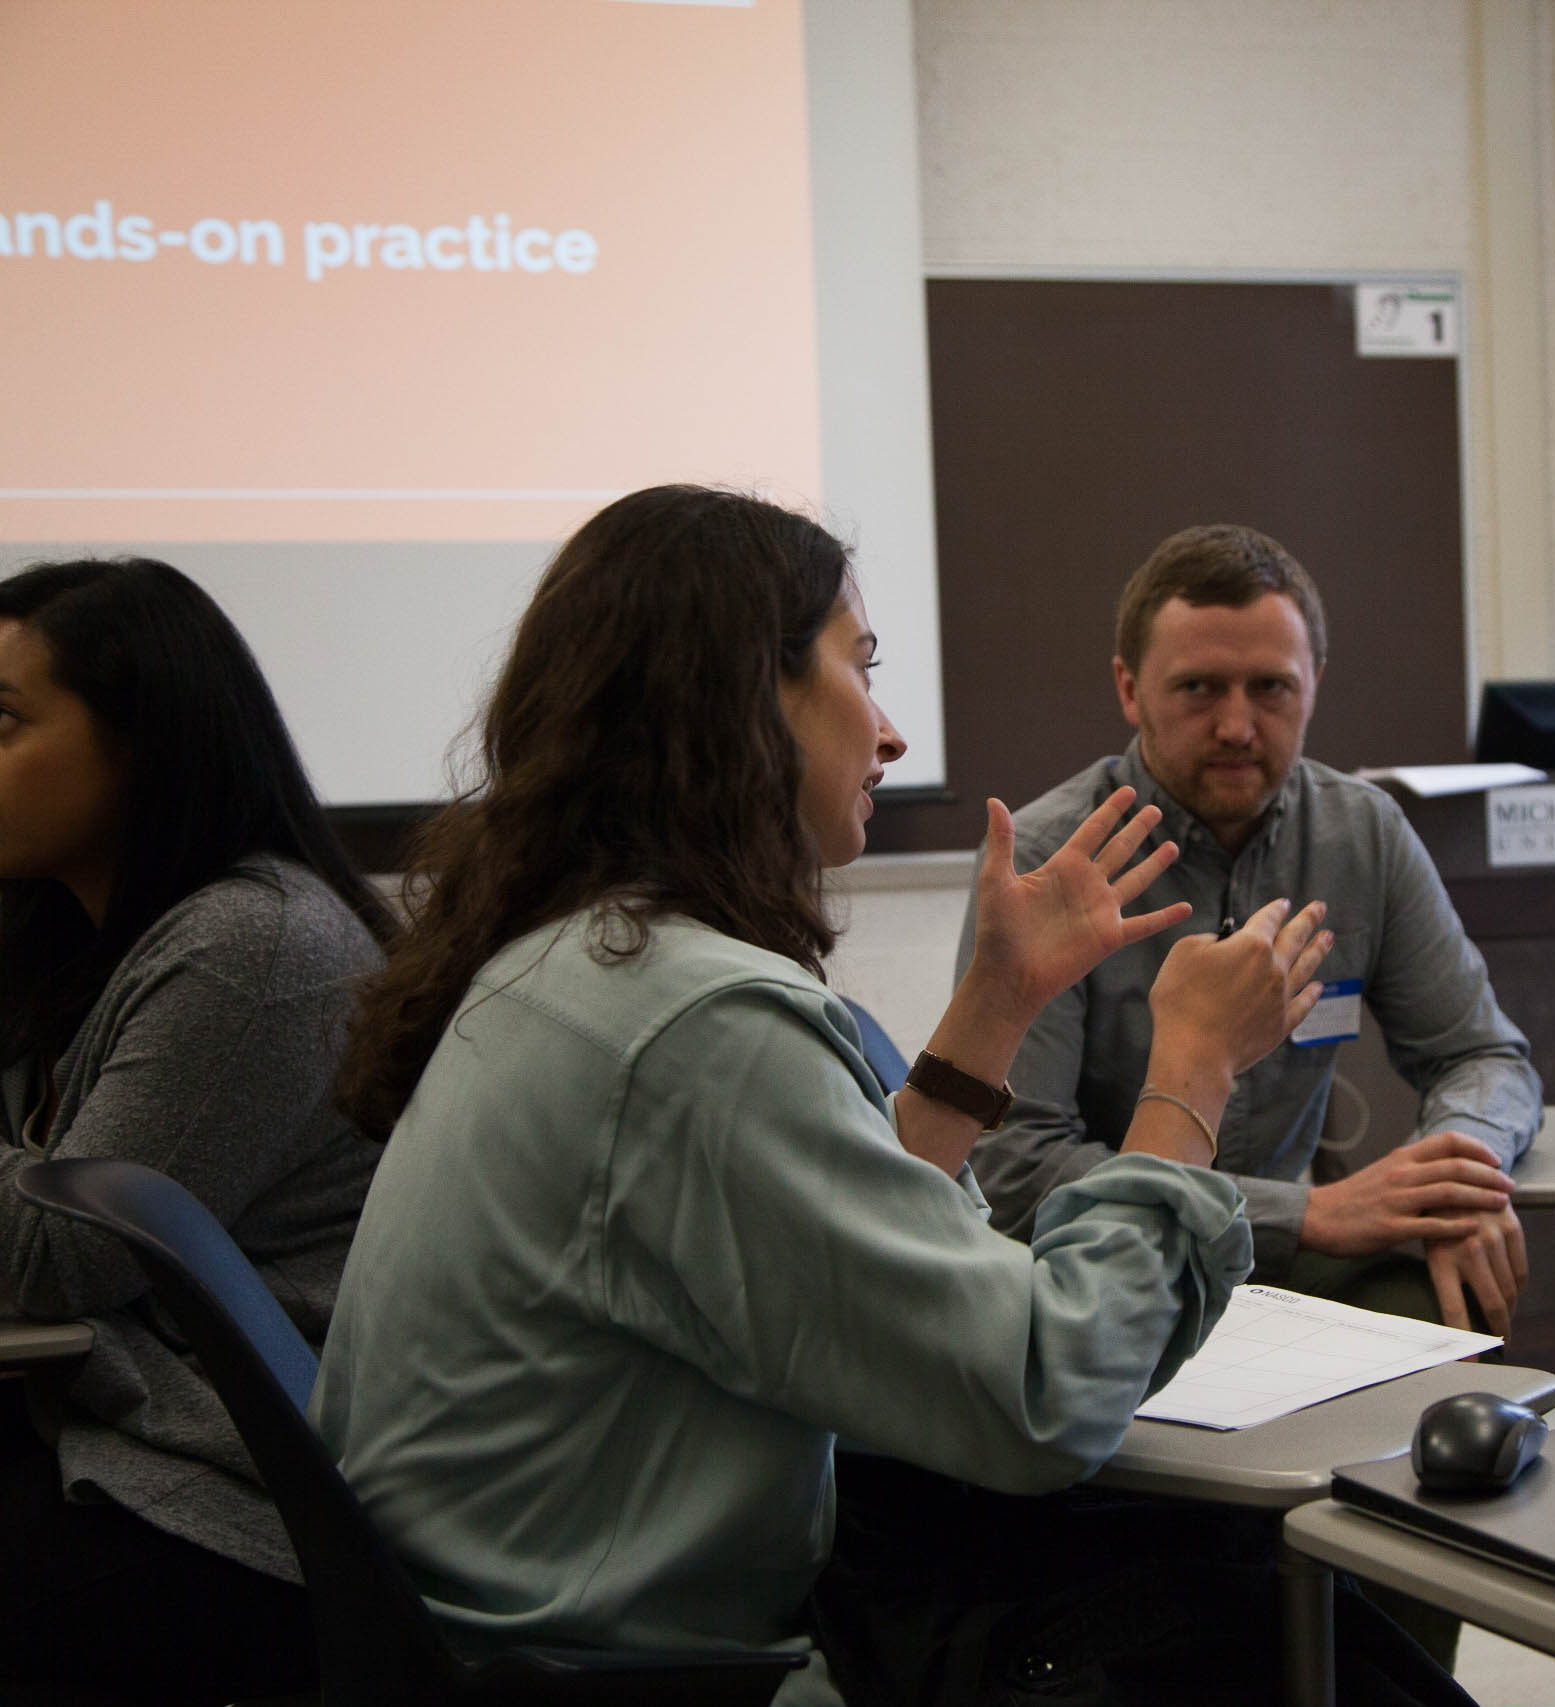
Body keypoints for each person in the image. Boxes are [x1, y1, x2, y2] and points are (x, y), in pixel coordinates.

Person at [314, 488, 1458, 1707]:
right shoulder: (699, 1025)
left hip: (510, 1640)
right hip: (644, 1668)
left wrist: (994, 1008)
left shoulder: (575, 959)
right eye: (860, 668)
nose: (893, 732)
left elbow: (825, 1257)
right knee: (1228, 1608)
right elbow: (1043, 1394)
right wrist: (1194, 1072)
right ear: (747, 699)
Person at [961, 524, 1541, 1339]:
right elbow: (1016, 1169)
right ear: (1130, 689)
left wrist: (1452, 1178)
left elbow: (1483, 1054)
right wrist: (1305, 1213)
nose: (1237, 725)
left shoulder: (1362, 836)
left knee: (1447, 1290)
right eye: (1199, 688)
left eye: (1271, 688)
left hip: (1281, 1261)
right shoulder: (1050, 859)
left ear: (1316, 683)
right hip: (1086, 1257)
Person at [0, 558, 393, 1706]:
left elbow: (59, 1249)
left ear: (146, 744)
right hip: (102, 1424)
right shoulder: (65, 922)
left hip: (235, 1501)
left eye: (5, 721)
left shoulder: (255, 948)